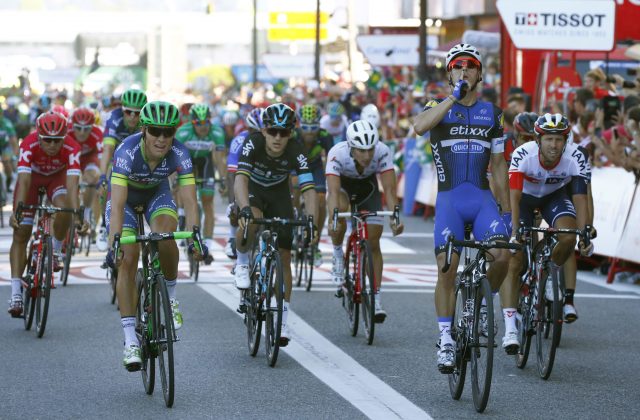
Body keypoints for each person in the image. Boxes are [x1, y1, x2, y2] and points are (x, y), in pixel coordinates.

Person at [412, 43, 512, 373]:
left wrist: (507, 212)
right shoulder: (436, 107)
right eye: (457, 65)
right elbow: (419, 126)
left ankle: (485, 303)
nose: (464, 70)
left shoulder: (493, 113)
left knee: (502, 256)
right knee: (446, 267)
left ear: (480, 73)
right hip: (450, 201)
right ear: (449, 72)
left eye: (470, 65)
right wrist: (453, 97)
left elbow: (498, 166)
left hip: (482, 201)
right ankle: (446, 339)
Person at [105, 101, 207, 371]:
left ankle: (170, 297)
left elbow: (190, 201)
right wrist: (113, 242)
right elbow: (116, 204)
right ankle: (130, 341)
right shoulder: (126, 150)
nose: (162, 138)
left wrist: (196, 236)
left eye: (168, 132)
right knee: (128, 258)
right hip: (125, 201)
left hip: (156, 194)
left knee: (165, 235)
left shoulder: (179, 152)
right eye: (155, 131)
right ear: (144, 129)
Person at [234, 103, 318, 346]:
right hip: (253, 191)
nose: (278, 138)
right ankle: (241, 263)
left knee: (284, 255)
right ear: (264, 131)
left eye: (284, 132)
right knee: (250, 222)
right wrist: (245, 209)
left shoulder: (296, 149)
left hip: (280, 194)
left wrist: (310, 220)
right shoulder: (253, 143)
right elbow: (240, 179)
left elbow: (308, 189)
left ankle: (281, 320)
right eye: (273, 131)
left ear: (291, 133)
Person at [509, 113, 594, 332]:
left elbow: (581, 198)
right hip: (525, 199)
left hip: (553, 197)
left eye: (559, 139)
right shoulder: (522, 154)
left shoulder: (576, 156)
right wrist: (515, 230)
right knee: (518, 255)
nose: (554, 145)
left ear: (566, 141)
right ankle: (520, 291)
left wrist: (584, 233)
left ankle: (550, 276)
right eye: (549, 139)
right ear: (538, 140)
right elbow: (514, 198)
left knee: (568, 234)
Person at [327, 120, 404, 322]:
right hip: (343, 189)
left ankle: (376, 297)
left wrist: (395, 216)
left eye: (370, 149)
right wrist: (333, 217)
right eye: (361, 150)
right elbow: (333, 192)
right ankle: (337, 256)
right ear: (351, 147)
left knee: (373, 241)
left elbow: (389, 189)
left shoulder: (383, 151)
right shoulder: (337, 153)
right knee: (339, 212)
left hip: (367, 190)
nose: (367, 155)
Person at [8, 112, 81, 316]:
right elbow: (23, 182)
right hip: (31, 180)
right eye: (47, 140)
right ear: (38, 136)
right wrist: (18, 211)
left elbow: (73, 185)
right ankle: (15, 292)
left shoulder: (72, 147)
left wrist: (78, 214)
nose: (51, 144)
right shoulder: (28, 144)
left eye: (57, 140)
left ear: (64, 138)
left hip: (56, 179)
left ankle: (55, 250)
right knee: (21, 233)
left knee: (65, 207)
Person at [174, 104, 227, 262]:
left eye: (206, 123)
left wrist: (223, 179)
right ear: (192, 122)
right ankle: (182, 213)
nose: (203, 127)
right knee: (185, 196)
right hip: (186, 163)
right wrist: (175, 178)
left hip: (205, 164)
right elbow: (174, 157)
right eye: (199, 123)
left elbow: (219, 159)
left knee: (208, 202)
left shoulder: (217, 132)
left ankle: (208, 246)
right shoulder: (183, 132)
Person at [97, 88, 147, 252]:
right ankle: (104, 227)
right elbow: (108, 149)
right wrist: (102, 176)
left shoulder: (146, 121)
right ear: (122, 109)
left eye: (137, 113)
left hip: (139, 160)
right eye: (128, 112)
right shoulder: (114, 118)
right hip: (117, 160)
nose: (133, 116)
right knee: (106, 185)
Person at [294, 104, 334, 267]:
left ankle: (315, 243)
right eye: (305, 127)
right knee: (293, 191)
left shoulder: (325, 135)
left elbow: (332, 159)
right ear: (299, 125)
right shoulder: (293, 135)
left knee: (320, 200)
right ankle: (293, 224)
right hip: (296, 167)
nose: (309, 131)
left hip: (315, 167)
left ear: (319, 125)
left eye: (313, 127)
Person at [224, 107, 263, 260]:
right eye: (255, 132)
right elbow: (232, 174)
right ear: (248, 128)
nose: (259, 136)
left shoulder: (273, 141)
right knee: (237, 208)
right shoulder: (239, 141)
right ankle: (233, 238)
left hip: (261, 179)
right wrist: (233, 201)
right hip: (243, 178)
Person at [68, 107, 104, 230]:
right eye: (78, 128)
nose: (82, 132)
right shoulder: (66, 131)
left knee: (92, 177)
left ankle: (87, 211)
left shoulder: (98, 133)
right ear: (72, 125)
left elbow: (102, 159)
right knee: (70, 180)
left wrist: (102, 178)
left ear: (92, 126)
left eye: (86, 128)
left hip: (89, 158)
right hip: (70, 157)